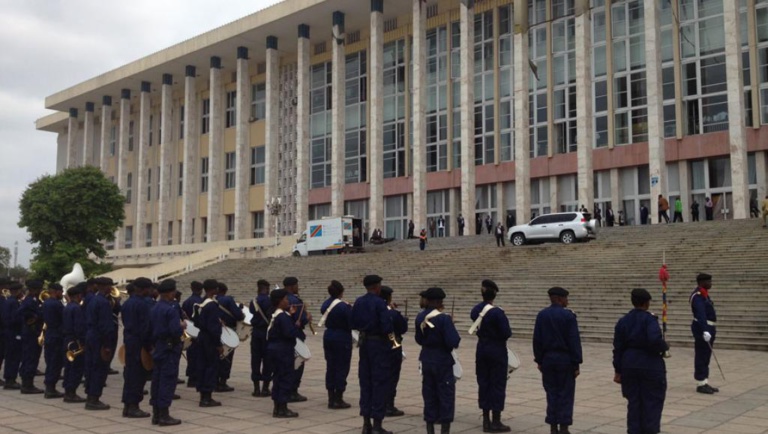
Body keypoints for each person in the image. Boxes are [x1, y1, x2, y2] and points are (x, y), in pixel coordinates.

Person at [613, 288, 668, 434]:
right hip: (650, 364)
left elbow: (617, 348)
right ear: (646, 303)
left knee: (634, 403)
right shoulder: (649, 319)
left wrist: (617, 370)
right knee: (652, 403)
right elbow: (654, 340)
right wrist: (664, 346)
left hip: (629, 364)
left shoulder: (623, 321)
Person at [533, 287, 582, 434]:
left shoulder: (542, 315)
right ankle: (564, 427)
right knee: (565, 394)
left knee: (551, 393)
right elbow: (574, 341)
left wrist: (540, 360)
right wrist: (576, 363)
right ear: (560, 299)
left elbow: (537, 340)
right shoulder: (568, 316)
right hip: (564, 360)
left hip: (548, 359)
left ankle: (553, 427)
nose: (567, 301)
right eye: (566, 298)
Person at [351, 275, 395, 434]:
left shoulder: (359, 302)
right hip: (379, 345)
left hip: (365, 344)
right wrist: (393, 342)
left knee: (366, 382)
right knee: (379, 383)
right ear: (377, 287)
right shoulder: (380, 303)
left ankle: (366, 424)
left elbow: (353, 322)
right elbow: (387, 328)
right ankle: (377, 425)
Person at [416, 287, 460, 434]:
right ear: (440, 301)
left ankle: (430, 429)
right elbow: (453, 341)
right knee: (445, 395)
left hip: (426, 358)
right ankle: (444, 430)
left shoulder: (420, 317)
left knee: (429, 394)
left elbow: (418, 339)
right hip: (442, 360)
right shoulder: (444, 318)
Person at [470, 280, 512, 433]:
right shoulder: (497, 312)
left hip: (481, 348)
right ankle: (496, 420)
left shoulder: (476, 310)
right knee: (497, 384)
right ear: (494, 294)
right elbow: (507, 333)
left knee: (484, 383)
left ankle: (486, 420)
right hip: (496, 350)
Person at [147, 279, 184, 426]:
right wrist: (181, 325)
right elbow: (175, 331)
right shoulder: (171, 309)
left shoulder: (154, 308)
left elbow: (149, 330)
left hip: (159, 347)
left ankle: (156, 414)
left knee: (157, 381)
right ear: (171, 292)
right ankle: (164, 415)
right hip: (169, 348)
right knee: (167, 381)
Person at [267, 288, 304, 418]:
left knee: (277, 378)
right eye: (286, 299)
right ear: (280, 301)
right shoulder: (282, 316)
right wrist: (296, 325)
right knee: (285, 378)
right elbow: (289, 333)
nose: (288, 301)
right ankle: (282, 408)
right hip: (283, 350)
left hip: (274, 349)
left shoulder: (276, 314)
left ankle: (277, 407)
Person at [121, 277, 153, 418]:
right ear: (144, 289)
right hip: (139, 343)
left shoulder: (127, 303)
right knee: (138, 376)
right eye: (149, 288)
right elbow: (145, 328)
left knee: (130, 374)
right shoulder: (143, 305)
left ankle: (127, 406)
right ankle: (134, 406)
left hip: (129, 341)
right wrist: (149, 347)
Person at [84, 277, 118, 410]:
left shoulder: (92, 299)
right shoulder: (103, 302)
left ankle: (90, 395)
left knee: (91, 366)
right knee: (99, 368)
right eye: (110, 286)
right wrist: (108, 345)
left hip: (91, 336)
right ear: (105, 287)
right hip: (100, 338)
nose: (111, 288)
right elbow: (105, 325)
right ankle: (94, 398)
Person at [319, 280, 353, 409]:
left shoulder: (326, 304)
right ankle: (338, 398)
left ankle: (331, 397)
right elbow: (351, 323)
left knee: (331, 366)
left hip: (329, 336)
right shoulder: (344, 306)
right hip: (342, 337)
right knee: (341, 367)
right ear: (341, 292)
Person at [194, 279, 222, 407]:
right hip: (209, 340)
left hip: (201, 336)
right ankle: (207, 397)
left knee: (202, 366)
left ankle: (203, 395)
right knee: (211, 367)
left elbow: (196, 322)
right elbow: (213, 328)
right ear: (214, 289)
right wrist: (218, 344)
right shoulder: (211, 305)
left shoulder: (200, 303)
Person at [380, 285, 407, 417]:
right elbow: (402, 328)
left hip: (377, 346)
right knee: (392, 376)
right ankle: (389, 405)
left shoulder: (376, 310)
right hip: (392, 345)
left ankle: (380, 403)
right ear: (388, 297)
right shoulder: (392, 313)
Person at [690, 273, 718, 394]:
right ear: (702, 283)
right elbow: (700, 314)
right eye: (709, 281)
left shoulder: (704, 295)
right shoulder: (698, 296)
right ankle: (701, 383)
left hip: (709, 327)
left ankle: (704, 381)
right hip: (703, 327)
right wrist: (705, 330)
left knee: (706, 355)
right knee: (702, 354)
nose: (710, 284)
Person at [284, 276, 310, 402]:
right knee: (297, 364)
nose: (297, 287)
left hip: (283, 335)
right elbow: (301, 319)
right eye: (296, 285)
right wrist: (307, 318)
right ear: (292, 286)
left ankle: (285, 389)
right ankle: (293, 391)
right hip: (296, 335)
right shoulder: (295, 300)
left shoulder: (280, 299)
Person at [216, 282, 244, 392]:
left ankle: (214, 381)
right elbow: (239, 315)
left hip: (216, 331)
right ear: (225, 291)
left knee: (216, 357)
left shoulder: (211, 300)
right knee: (227, 357)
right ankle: (222, 382)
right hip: (228, 331)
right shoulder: (228, 300)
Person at [62, 282, 87, 403]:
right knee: (76, 367)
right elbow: (79, 327)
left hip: (67, 339)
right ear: (78, 295)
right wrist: (83, 342)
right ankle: (71, 392)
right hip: (75, 341)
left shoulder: (68, 306)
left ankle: (68, 391)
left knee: (69, 366)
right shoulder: (76, 308)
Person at [19, 279, 45, 394]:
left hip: (33, 332)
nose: (40, 291)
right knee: (31, 358)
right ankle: (27, 385)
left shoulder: (33, 300)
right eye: (39, 289)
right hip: (31, 333)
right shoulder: (29, 301)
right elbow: (21, 313)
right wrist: (33, 317)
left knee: (31, 358)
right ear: (33, 290)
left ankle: (27, 383)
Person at [42, 283, 65, 399]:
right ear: (56, 291)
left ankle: (49, 385)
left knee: (50, 361)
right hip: (57, 335)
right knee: (55, 363)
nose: (62, 294)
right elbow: (63, 318)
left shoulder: (46, 302)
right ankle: (51, 389)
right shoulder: (57, 304)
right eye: (61, 291)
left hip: (50, 334)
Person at [250, 279, 273, 397]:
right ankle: (265, 388)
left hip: (256, 333)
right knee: (267, 360)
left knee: (255, 360)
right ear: (267, 288)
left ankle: (256, 388)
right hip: (266, 332)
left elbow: (251, 312)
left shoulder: (253, 301)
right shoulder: (269, 301)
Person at [181, 281, 203, 388]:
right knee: (199, 356)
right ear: (201, 290)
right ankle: (197, 377)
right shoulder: (201, 302)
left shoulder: (186, 302)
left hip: (189, 331)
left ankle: (191, 377)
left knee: (191, 355)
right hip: (199, 332)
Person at [2, 283, 23, 390]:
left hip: (8, 332)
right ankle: (10, 380)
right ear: (17, 291)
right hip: (13, 333)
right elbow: (15, 318)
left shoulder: (8, 301)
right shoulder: (13, 302)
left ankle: (9, 379)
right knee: (14, 357)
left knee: (10, 356)